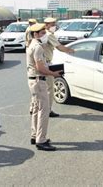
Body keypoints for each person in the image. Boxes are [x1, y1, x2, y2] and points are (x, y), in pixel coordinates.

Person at [27, 23, 63, 151]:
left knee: (36, 109)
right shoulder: (38, 47)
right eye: (42, 33)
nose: (44, 35)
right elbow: (40, 68)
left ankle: (34, 135)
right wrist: (54, 73)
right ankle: (41, 140)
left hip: (33, 80)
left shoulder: (31, 44)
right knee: (44, 110)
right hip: (39, 80)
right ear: (35, 34)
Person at [41, 17, 74, 117]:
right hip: (46, 63)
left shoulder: (42, 34)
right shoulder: (49, 35)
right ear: (46, 25)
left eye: (55, 24)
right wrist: (72, 50)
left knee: (40, 89)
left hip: (41, 63)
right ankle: (48, 110)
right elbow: (60, 47)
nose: (54, 26)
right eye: (52, 24)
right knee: (49, 89)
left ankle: (34, 108)